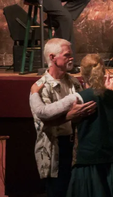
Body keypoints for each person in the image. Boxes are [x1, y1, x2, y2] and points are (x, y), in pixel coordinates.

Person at [66, 54, 113, 197]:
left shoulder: (80, 97)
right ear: (104, 72)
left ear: (83, 74)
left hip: (91, 160)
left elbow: (46, 113)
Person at [30, 39, 86, 197]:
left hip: (73, 144)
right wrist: (70, 116)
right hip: (54, 147)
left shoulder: (73, 83)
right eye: (67, 55)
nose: (71, 58)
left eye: (71, 54)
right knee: (57, 190)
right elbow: (43, 122)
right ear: (53, 57)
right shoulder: (41, 87)